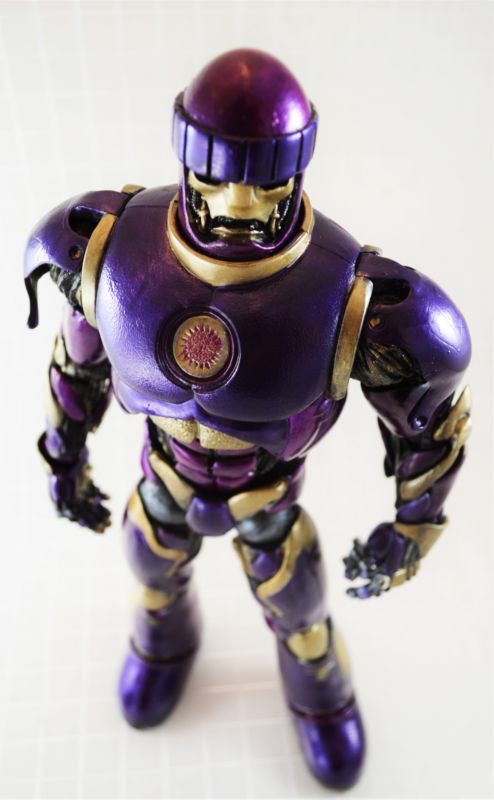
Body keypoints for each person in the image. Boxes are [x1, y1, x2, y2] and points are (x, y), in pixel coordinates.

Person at [24, 49, 471, 790]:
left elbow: (427, 425)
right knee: (151, 575)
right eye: (218, 175)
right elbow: (78, 363)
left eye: (262, 181)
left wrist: (411, 529)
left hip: (268, 497)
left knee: (301, 612)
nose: (238, 202)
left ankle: (321, 699)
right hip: (164, 478)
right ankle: (165, 645)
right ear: (188, 158)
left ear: (294, 172)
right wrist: (63, 456)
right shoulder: (109, 249)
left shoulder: (351, 295)